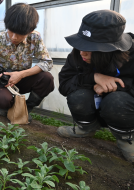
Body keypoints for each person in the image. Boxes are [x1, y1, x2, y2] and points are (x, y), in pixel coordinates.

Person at [57, 10, 134, 162]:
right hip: (93, 109)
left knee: (116, 102)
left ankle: (126, 138)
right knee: (77, 95)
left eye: (90, 48)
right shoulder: (77, 54)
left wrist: (114, 86)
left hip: (122, 111)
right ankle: (86, 128)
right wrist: (93, 78)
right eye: (81, 45)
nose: (82, 53)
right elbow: (64, 84)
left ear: (111, 49)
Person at [0, 3, 54, 121]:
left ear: (30, 30)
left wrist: (21, 74)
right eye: (11, 31)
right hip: (4, 81)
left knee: (47, 78)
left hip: (24, 78)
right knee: (3, 101)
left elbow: (47, 62)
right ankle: (6, 107)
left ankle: (26, 108)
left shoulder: (34, 37)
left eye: (20, 34)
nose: (14, 37)